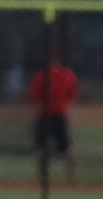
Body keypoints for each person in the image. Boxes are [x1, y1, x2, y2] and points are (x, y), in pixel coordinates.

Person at [28, 54, 79, 182]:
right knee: (66, 147)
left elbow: (33, 96)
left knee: (40, 148)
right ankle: (71, 178)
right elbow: (72, 95)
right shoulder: (68, 75)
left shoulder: (42, 75)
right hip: (60, 114)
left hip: (44, 115)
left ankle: (41, 177)